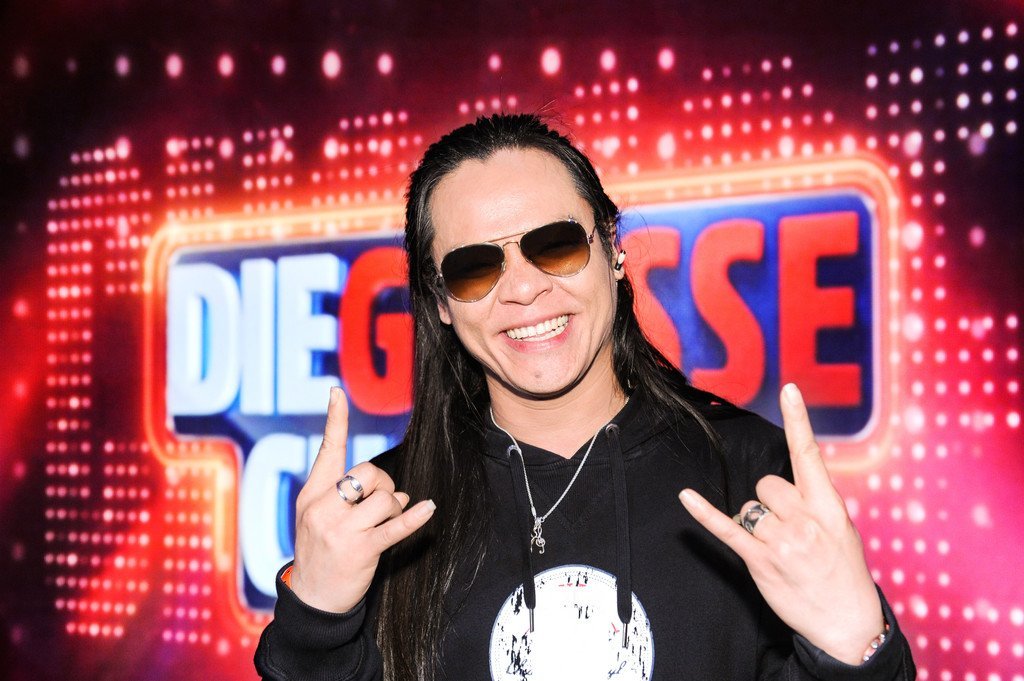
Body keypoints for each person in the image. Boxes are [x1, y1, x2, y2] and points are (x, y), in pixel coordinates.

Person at [254, 113, 916, 680]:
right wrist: (317, 617)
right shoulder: (386, 516)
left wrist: (852, 642)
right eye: (475, 268)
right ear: (442, 304)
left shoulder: (748, 473)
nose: (523, 289)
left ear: (613, 249)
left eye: (556, 245)